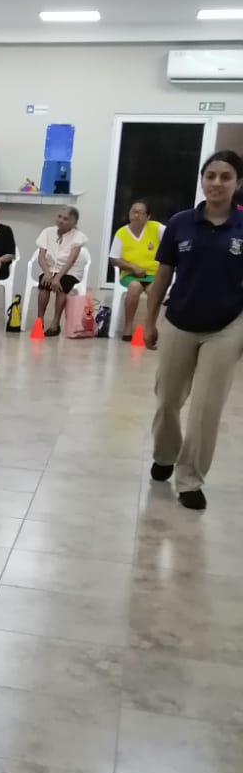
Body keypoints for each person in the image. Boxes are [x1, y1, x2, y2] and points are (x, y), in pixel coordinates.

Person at [144, 152, 243, 510]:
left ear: (238, 183)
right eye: (211, 175)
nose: (217, 183)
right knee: (168, 399)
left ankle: (190, 479)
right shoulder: (180, 223)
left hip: (227, 326)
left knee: (206, 408)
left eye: (226, 177)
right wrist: (149, 322)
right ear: (202, 180)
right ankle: (165, 454)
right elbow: (162, 277)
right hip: (179, 320)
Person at [109, 200, 165, 341]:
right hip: (130, 274)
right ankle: (128, 327)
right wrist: (132, 267)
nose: (135, 215)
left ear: (148, 216)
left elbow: (173, 240)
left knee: (154, 290)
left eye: (140, 212)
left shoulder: (157, 228)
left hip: (153, 274)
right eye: (133, 211)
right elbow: (114, 259)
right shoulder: (122, 233)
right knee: (134, 287)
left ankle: (150, 326)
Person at [33, 206, 88, 337]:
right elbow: (41, 256)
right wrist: (47, 273)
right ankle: (39, 320)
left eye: (66, 219)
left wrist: (57, 278)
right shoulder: (47, 232)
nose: (61, 220)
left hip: (70, 271)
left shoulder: (78, 236)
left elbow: (71, 260)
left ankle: (55, 323)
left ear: (74, 222)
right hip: (50, 268)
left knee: (62, 285)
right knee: (44, 284)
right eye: (59, 217)